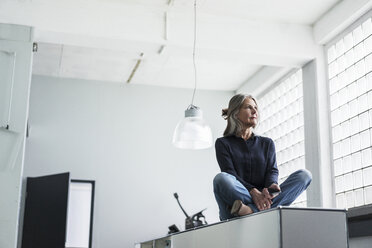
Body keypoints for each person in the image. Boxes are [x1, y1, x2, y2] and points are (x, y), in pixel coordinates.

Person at [213, 94, 312, 221]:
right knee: (221, 179)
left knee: (304, 175)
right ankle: (260, 208)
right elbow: (230, 173)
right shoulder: (223, 143)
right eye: (249, 107)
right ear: (236, 113)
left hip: (264, 199)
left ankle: (250, 210)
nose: (255, 111)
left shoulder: (267, 143)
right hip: (238, 199)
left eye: (255, 108)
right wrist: (253, 192)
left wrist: (272, 185)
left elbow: (272, 170)